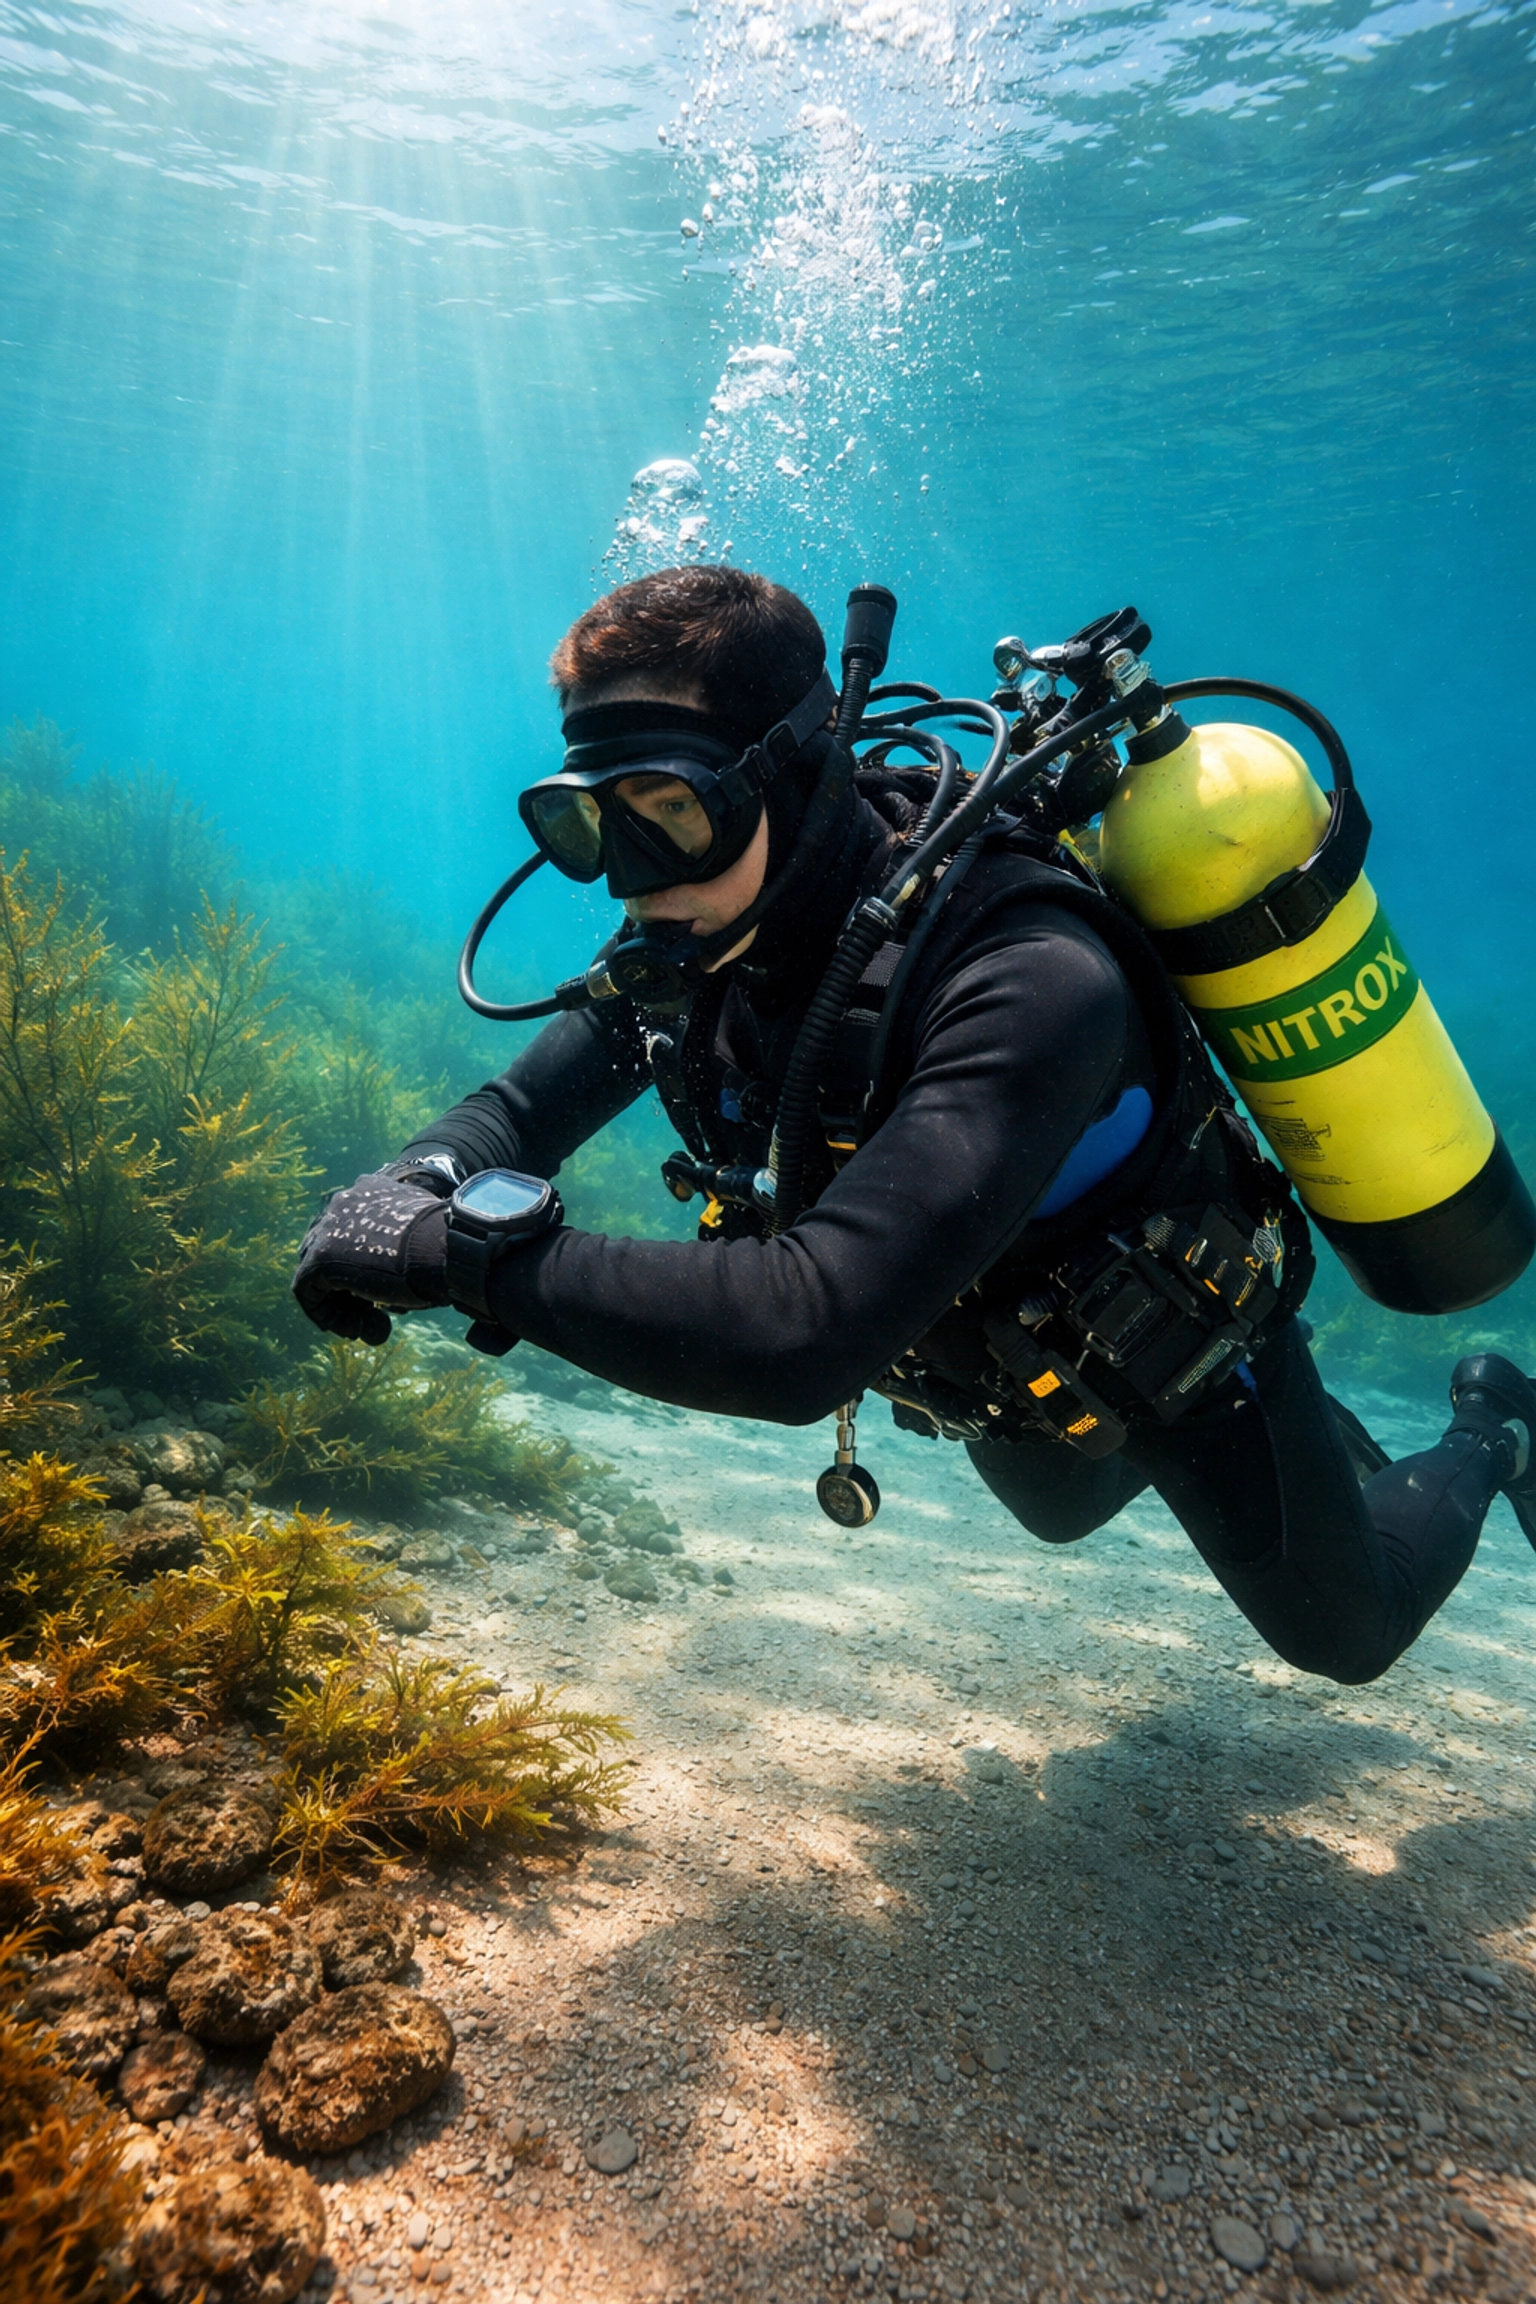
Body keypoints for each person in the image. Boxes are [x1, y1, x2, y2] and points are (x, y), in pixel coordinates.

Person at [291, 564, 1536, 1687]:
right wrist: (416, 1180)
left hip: (1175, 1351)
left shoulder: (1028, 971)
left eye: (668, 811)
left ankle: (1491, 1427)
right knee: (1061, 1512)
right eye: (587, 823)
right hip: (986, 1360)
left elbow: (804, 1333)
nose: (632, 876)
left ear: (787, 769)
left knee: (1347, 1634)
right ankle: (1320, 1448)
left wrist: (459, 1255)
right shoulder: (708, 931)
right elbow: (517, 1110)